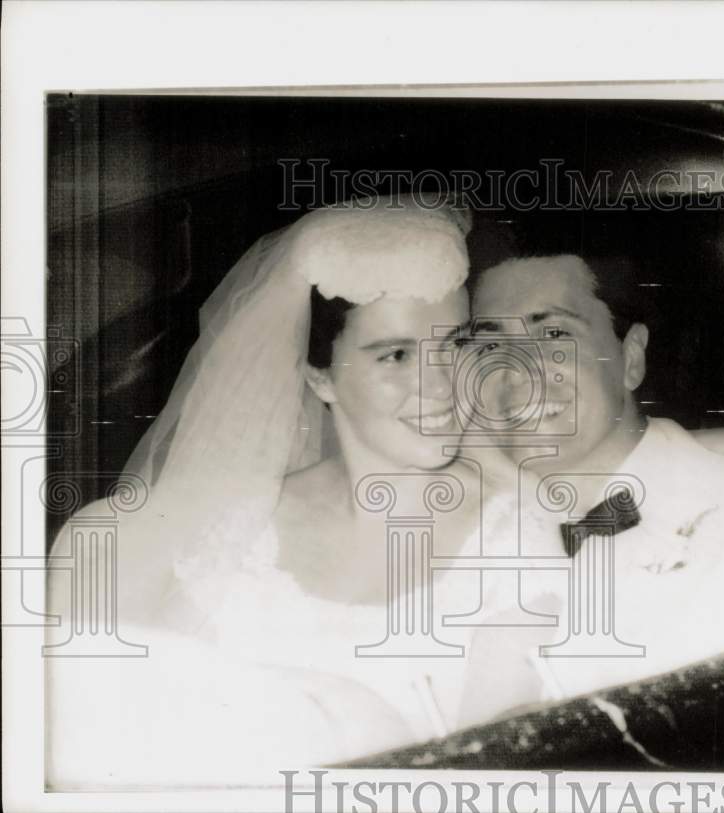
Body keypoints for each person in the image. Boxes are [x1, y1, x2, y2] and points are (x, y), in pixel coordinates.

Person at [45, 197, 521, 784]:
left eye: (455, 344)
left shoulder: (513, 532)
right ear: (319, 375)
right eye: (396, 355)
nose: (443, 385)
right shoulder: (229, 534)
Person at [466, 252, 724, 700]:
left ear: (631, 358)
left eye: (554, 334)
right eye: (489, 345)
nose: (517, 373)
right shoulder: (476, 541)